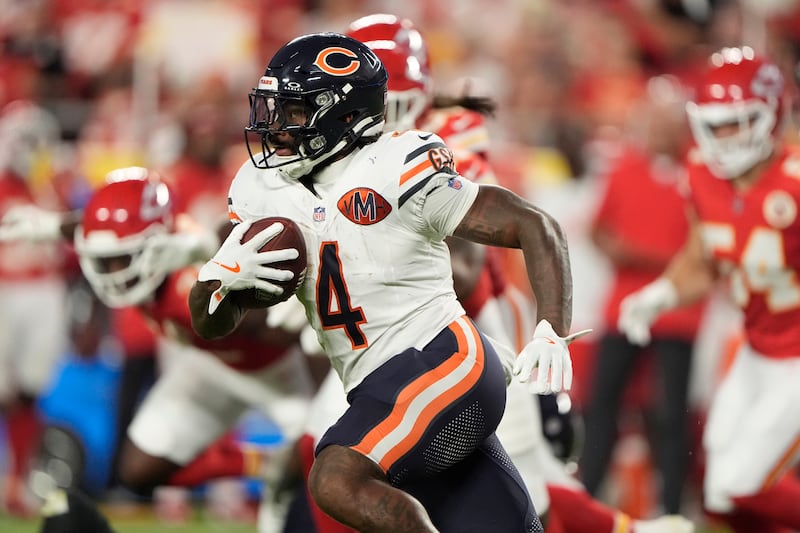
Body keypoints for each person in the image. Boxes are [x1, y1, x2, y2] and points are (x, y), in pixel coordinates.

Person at [189, 32, 578, 533]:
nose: (276, 127)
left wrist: (551, 329)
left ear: (343, 114)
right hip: (380, 389)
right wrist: (216, 281)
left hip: (444, 360)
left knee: (336, 476)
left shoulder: (395, 166)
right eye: (273, 110)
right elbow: (211, 325)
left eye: (293, 112)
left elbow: (533, 224)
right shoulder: (260, 189)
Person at [2, 167, 317, 532]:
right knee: (138, 469)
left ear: (156, 243)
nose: (114, 270)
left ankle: (288, 476)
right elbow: (104, 235)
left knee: (320, 465)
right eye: (108, 259)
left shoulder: (189, 277)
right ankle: (266, 465)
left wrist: (294, 320)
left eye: (124, 258)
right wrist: (51, 226)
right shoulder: (149, 242)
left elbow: (265, 320)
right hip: (211, 365)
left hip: (278, 373)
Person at [618, 46, 800, 533]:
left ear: (772, 115)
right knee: (720, 490)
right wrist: (661, 294)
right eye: (714, 125)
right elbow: (704, 257)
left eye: (736, 124)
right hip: (758, 349)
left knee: (745, 482)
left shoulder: (794, 181)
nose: (722, 139)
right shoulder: (700, 174)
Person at [581, 75, 706, 517]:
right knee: (602, 404)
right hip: (626, 305)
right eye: (653, 120)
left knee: (671, 414)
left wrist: (642, 257)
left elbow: (705, 250)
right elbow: (597, 230)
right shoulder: (626, 168)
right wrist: (640, 256)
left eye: (666, 122)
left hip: (677, 311)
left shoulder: (699, 173)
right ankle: (588, 498)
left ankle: (672, 508)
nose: (658, 130)